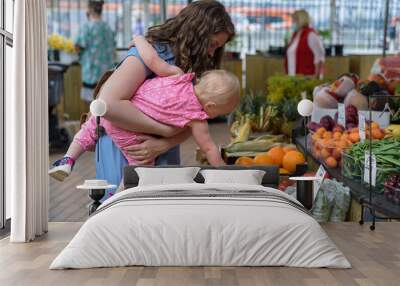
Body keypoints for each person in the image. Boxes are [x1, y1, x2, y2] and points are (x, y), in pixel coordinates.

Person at [58, 0, 235, 198]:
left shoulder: (188, 66)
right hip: (125, 148)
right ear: (197, 31)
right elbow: (109, 104)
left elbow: (193, 124)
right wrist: (165, 132)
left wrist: (164, 144)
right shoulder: (154, 54)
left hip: (157, 154)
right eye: (212, 44)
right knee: (121, 208)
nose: (212, 53)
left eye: (217, 48)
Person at [75, 0, 116, 102]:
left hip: (91, 72)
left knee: (92, 105)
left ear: (89, 10)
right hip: (107, 73)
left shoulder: (87, 27)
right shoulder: (108, 27)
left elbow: (78, 45)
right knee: (104, 102)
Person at [285, 9, 325, 78]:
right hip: (293, 77)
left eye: (295, 20)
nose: (292, 22)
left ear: (301, 20)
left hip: (307, 78)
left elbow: (319, 56)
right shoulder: (295, 35)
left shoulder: (310, 34)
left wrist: (316, 76)